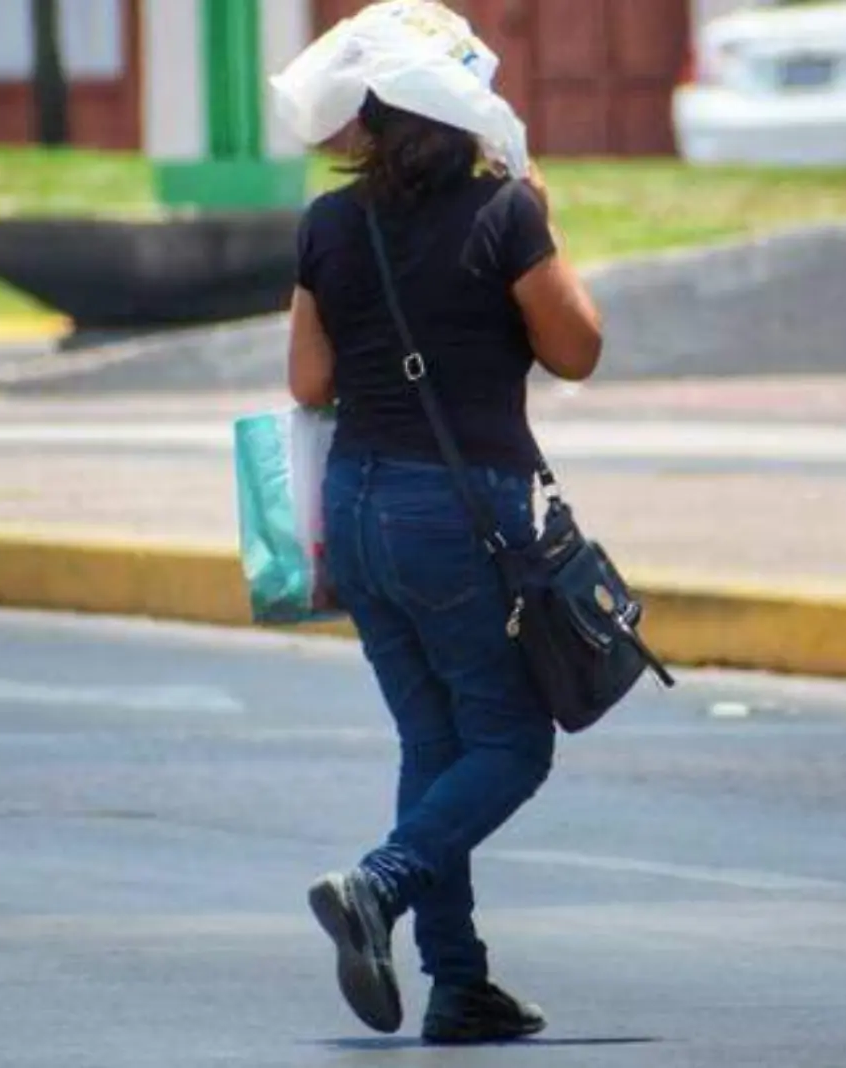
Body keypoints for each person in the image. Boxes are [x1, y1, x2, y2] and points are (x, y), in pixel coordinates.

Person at [286, 92, 604, 1045]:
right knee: (512, 744)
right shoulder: (501, 213)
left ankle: (458, 983)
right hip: (457, 515)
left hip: (355, 512)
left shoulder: (330, 222)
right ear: (466, 115)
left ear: (368, 123)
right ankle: (379, 885)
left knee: (433, 746)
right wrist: (538, 222)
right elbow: (578, 349)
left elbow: (308, 382)